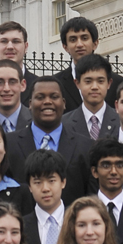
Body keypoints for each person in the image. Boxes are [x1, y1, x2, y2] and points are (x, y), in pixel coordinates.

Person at [6, 76, 94, 206]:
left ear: (64, 103)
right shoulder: (9, 144)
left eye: (54, 97)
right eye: (40, 97)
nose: (47, 101)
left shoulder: (85, 147)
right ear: (30, 104)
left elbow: (91, 197)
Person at [22, 149, 69, 244]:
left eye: (51, 181)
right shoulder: (20, 226)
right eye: (38, 182)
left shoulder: (78, 221)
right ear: (29, 187)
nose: (45, 188)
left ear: (63, 182)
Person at [90, 138, 123, 244]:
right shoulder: (82, 211)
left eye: (120, 165)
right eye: (106, 165)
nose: (113, 172)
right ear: (94, 171)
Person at [61, 53, 120, 139]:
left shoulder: (121, 121)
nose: (94, 87)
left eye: (100, 81)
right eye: (88, 81)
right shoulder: (64, 123)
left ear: (109, 83)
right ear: (77, 83)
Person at [0, 60, 32, 133]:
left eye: (12, 82)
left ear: (23, 85)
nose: (6, 89)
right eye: (0, 82)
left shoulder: (37, 121)